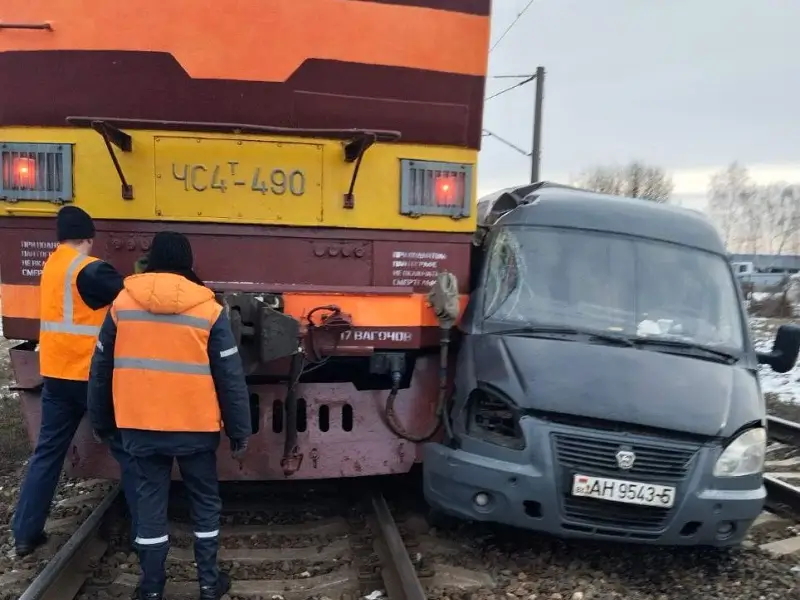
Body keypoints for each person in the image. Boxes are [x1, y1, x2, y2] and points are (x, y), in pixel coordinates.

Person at [87, 231, 252, 600]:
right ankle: (209, 583)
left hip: (140, 427)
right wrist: (240, 430)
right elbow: (230, 375)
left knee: (149, 504)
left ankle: (151, 588)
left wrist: (100, 421)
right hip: (195, 429)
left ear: (151, 261)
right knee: (205, 502)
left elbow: (100, 368)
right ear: (189, 265)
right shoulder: (209, 309)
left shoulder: (122, 305)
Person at [12, 206, 139, 557]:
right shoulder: (91, 270)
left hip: (55, 376)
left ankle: (25, 533)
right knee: (128, 452)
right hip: (91, 379)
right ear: (89, 237)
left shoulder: (52, 265)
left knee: (47, 454)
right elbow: (132, 297)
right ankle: (142, 532)